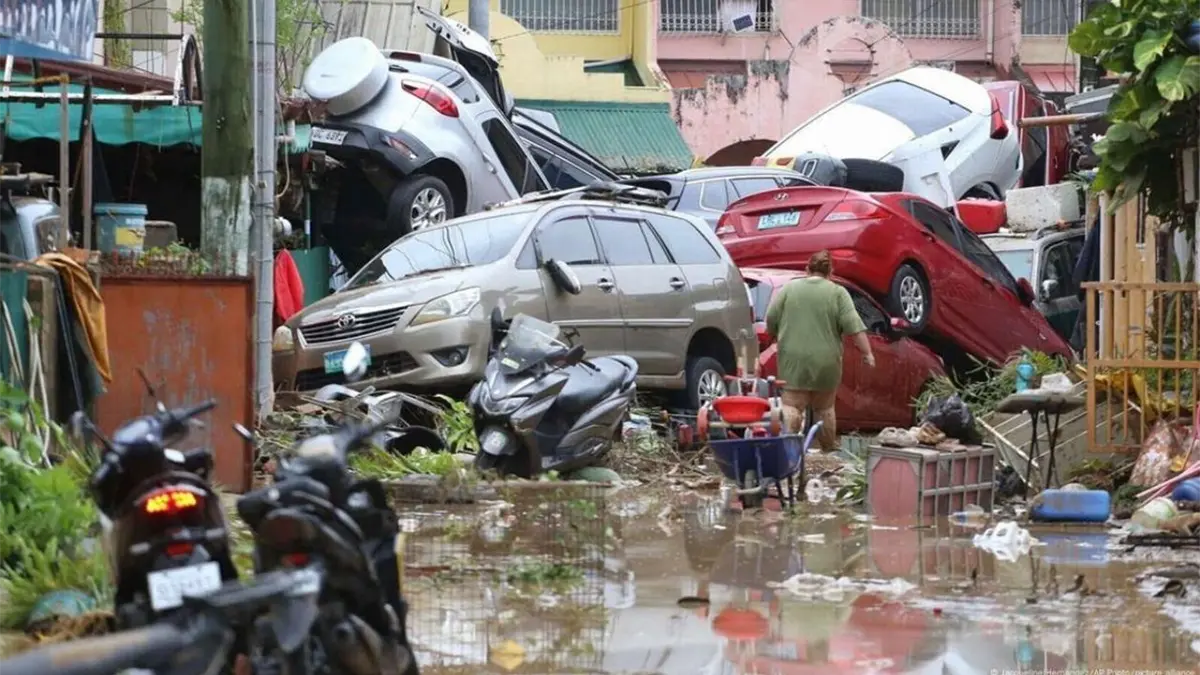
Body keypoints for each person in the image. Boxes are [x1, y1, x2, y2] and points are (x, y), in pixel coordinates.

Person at [765, 250, 874, 450]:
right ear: (830, 272)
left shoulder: (789, 289)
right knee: (824, 408)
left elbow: (771, 318)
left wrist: (773, 333)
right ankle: (827, 451)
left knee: (792, 406)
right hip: (827, 361)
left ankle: (789, 450)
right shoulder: (838, 292)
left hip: (793, 359)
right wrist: (867, 353)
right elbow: (854, 326)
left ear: (807, 269)